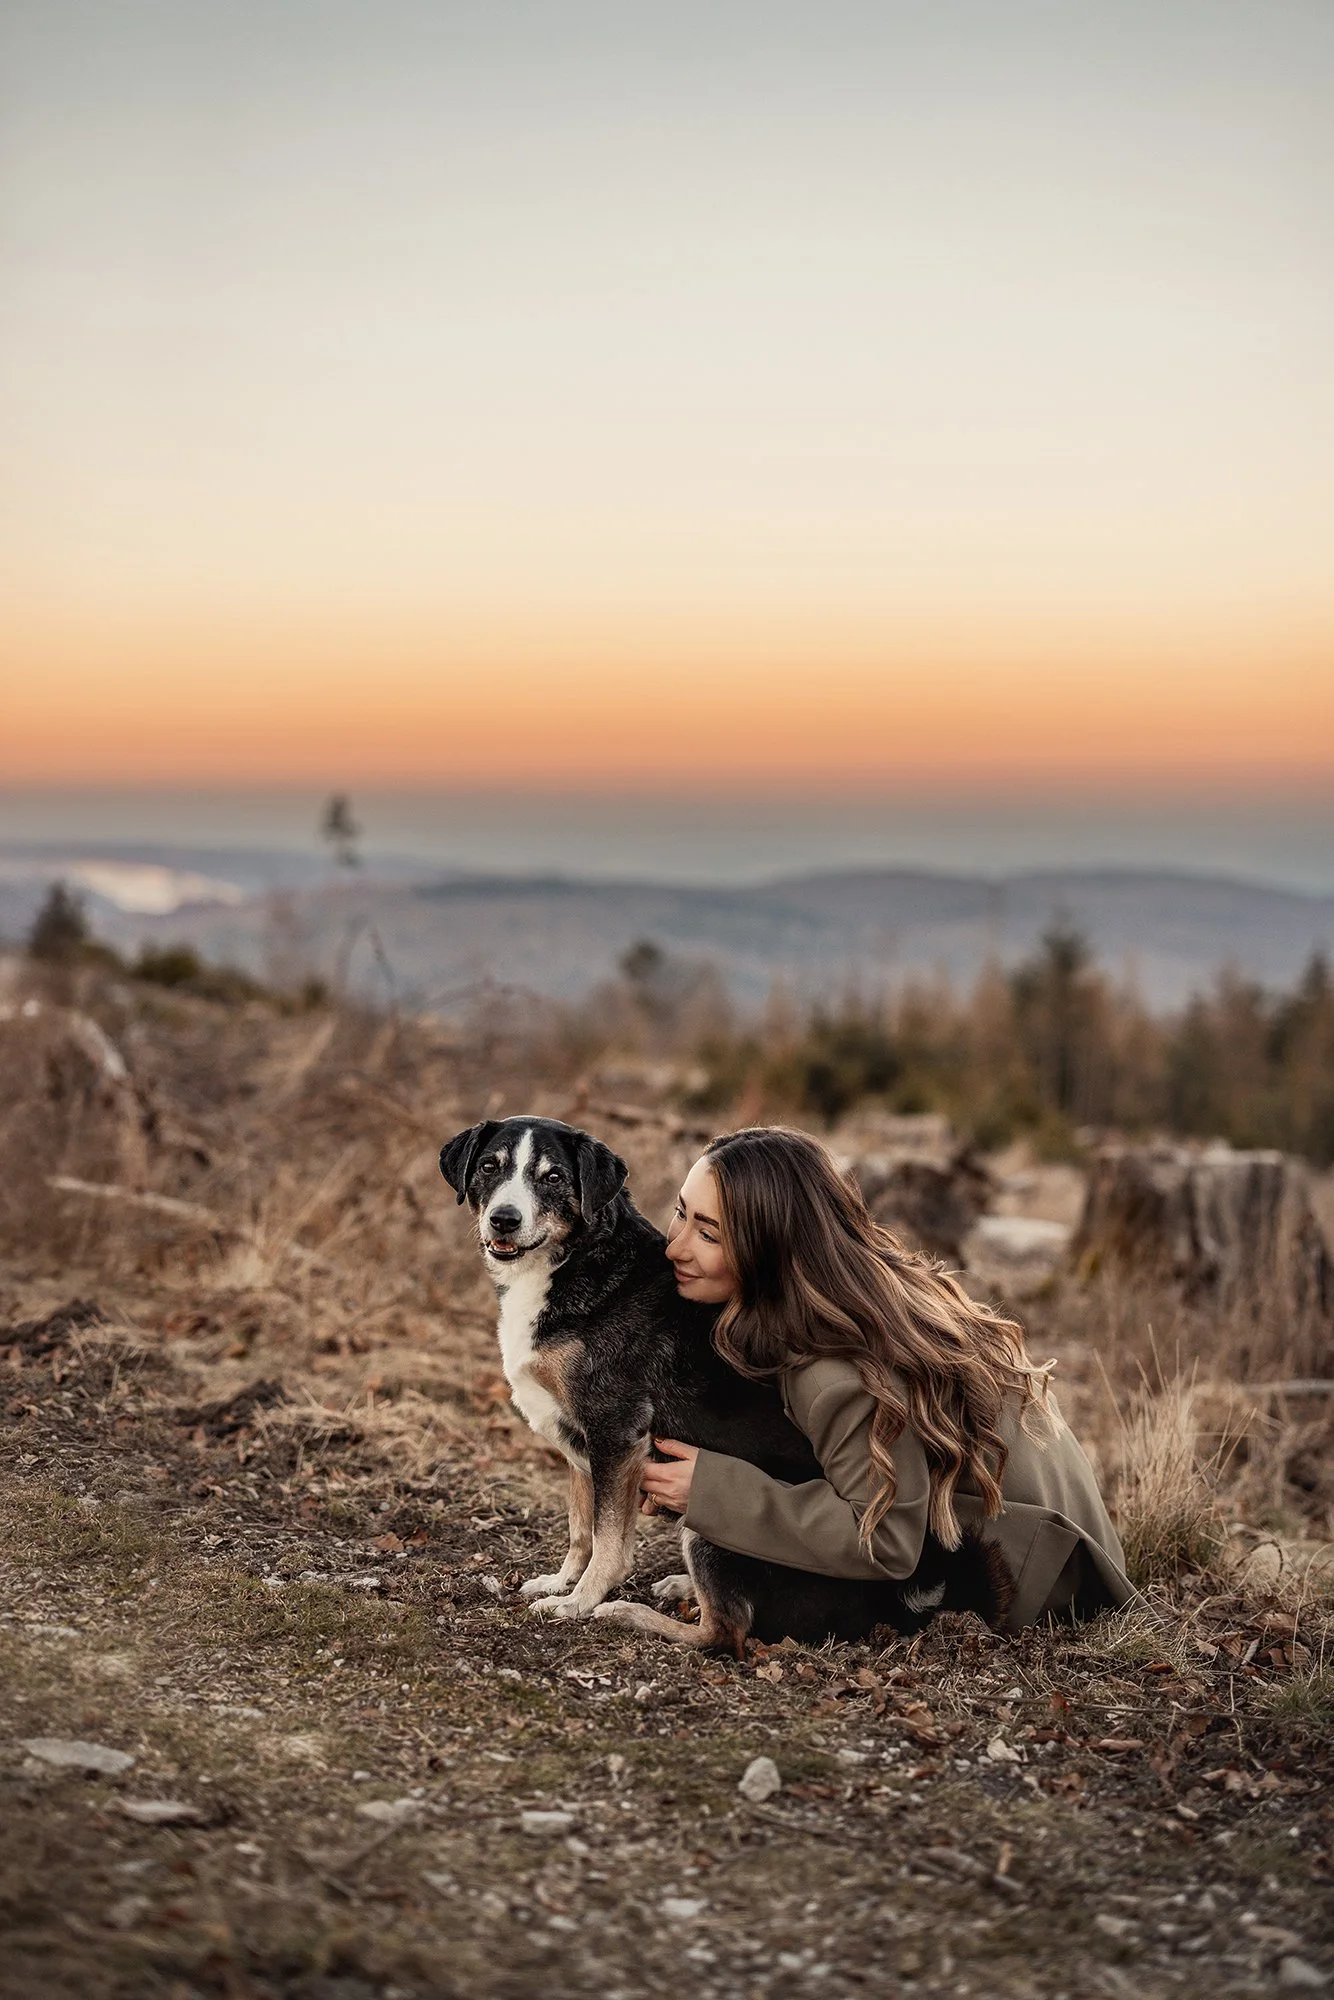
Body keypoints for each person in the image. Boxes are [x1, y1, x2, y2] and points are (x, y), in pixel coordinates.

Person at [640, 1126, 1133, 1631]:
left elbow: (886, 1540)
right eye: (681, 1212)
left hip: (1032, 1567)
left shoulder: (833, 1369)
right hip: (1015, 1533)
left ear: (768, 1250)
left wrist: (713, 1493)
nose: (673, 1247)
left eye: (708, 1234)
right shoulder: (836, 1290)